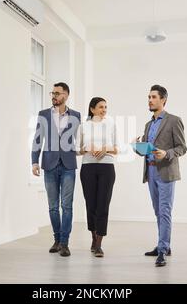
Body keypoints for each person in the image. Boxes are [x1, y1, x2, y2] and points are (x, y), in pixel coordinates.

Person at [137, 85, 187, 267]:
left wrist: (166, 153)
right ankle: (163, 245)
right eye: (148, 97)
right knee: (158, 211)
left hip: (166, 171)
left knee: (165, 211)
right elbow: (145, 150)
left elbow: (182, 148)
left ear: (163, 100)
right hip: (150, 171)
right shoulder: (148, 124)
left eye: (153, 97)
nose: (150, 100)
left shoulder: (174, 121)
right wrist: (138, 146)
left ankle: (163, 250)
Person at [31, 82, 81, 257]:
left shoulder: (76, 115)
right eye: (52, 93)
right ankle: (57, 239)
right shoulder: (43, 114)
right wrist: (34, 161)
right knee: (53, 207)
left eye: (57, 93)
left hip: (68, 165)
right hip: (49, 164)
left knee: (66, 206)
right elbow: (38, 139)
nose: (54, 96)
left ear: (66, 95)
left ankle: (65, 243)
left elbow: (80, 138)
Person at [78, 97, 118, 258]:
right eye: (101, 107)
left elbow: (117, 148)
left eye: (106, 107)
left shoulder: (110, 124)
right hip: (88, 167)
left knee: (103, 205)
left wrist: (105, 149)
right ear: (92, 109)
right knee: (91, 205)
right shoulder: (83, 126)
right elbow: (75, 149)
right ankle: (93, 238)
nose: (104, 110)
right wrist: (87, 148)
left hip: (107, 168)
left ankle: (99, 244)